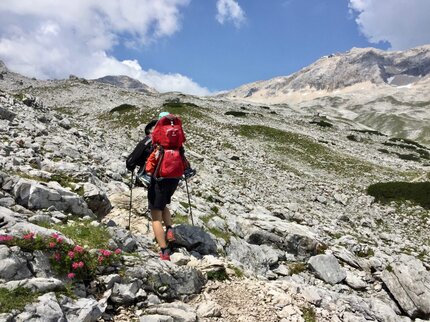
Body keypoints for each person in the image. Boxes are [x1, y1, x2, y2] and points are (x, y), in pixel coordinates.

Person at [145, 111, 189, 260]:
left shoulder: (159, 146)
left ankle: (164, 252)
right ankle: (169, 228)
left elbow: (150, 167)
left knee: (155, 216)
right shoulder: (177, 146)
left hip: (160, 180)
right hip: (175, 178)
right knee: (163, 204)